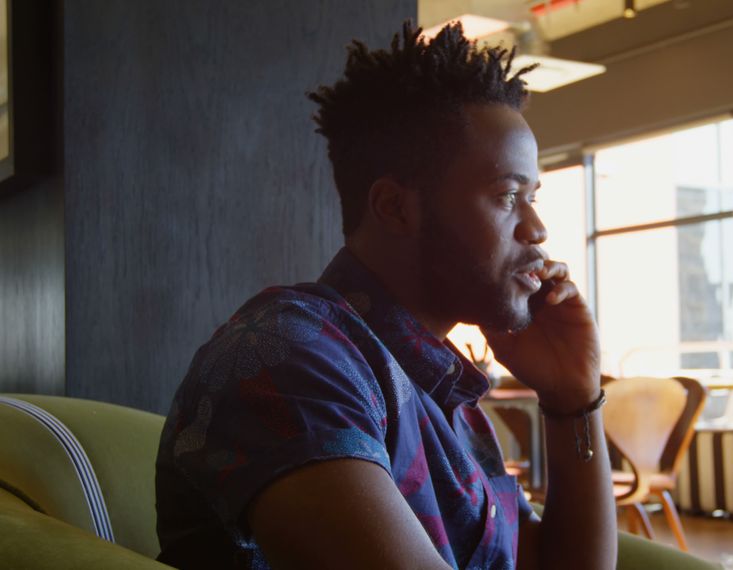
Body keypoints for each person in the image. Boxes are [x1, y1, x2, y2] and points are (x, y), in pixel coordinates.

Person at [155, 21, 617, 569]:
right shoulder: (293, 356)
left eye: (532, 196)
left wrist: (572, 401)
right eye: (507, 195)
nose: (537, 228)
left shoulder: (447, 402)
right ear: (395, 207)